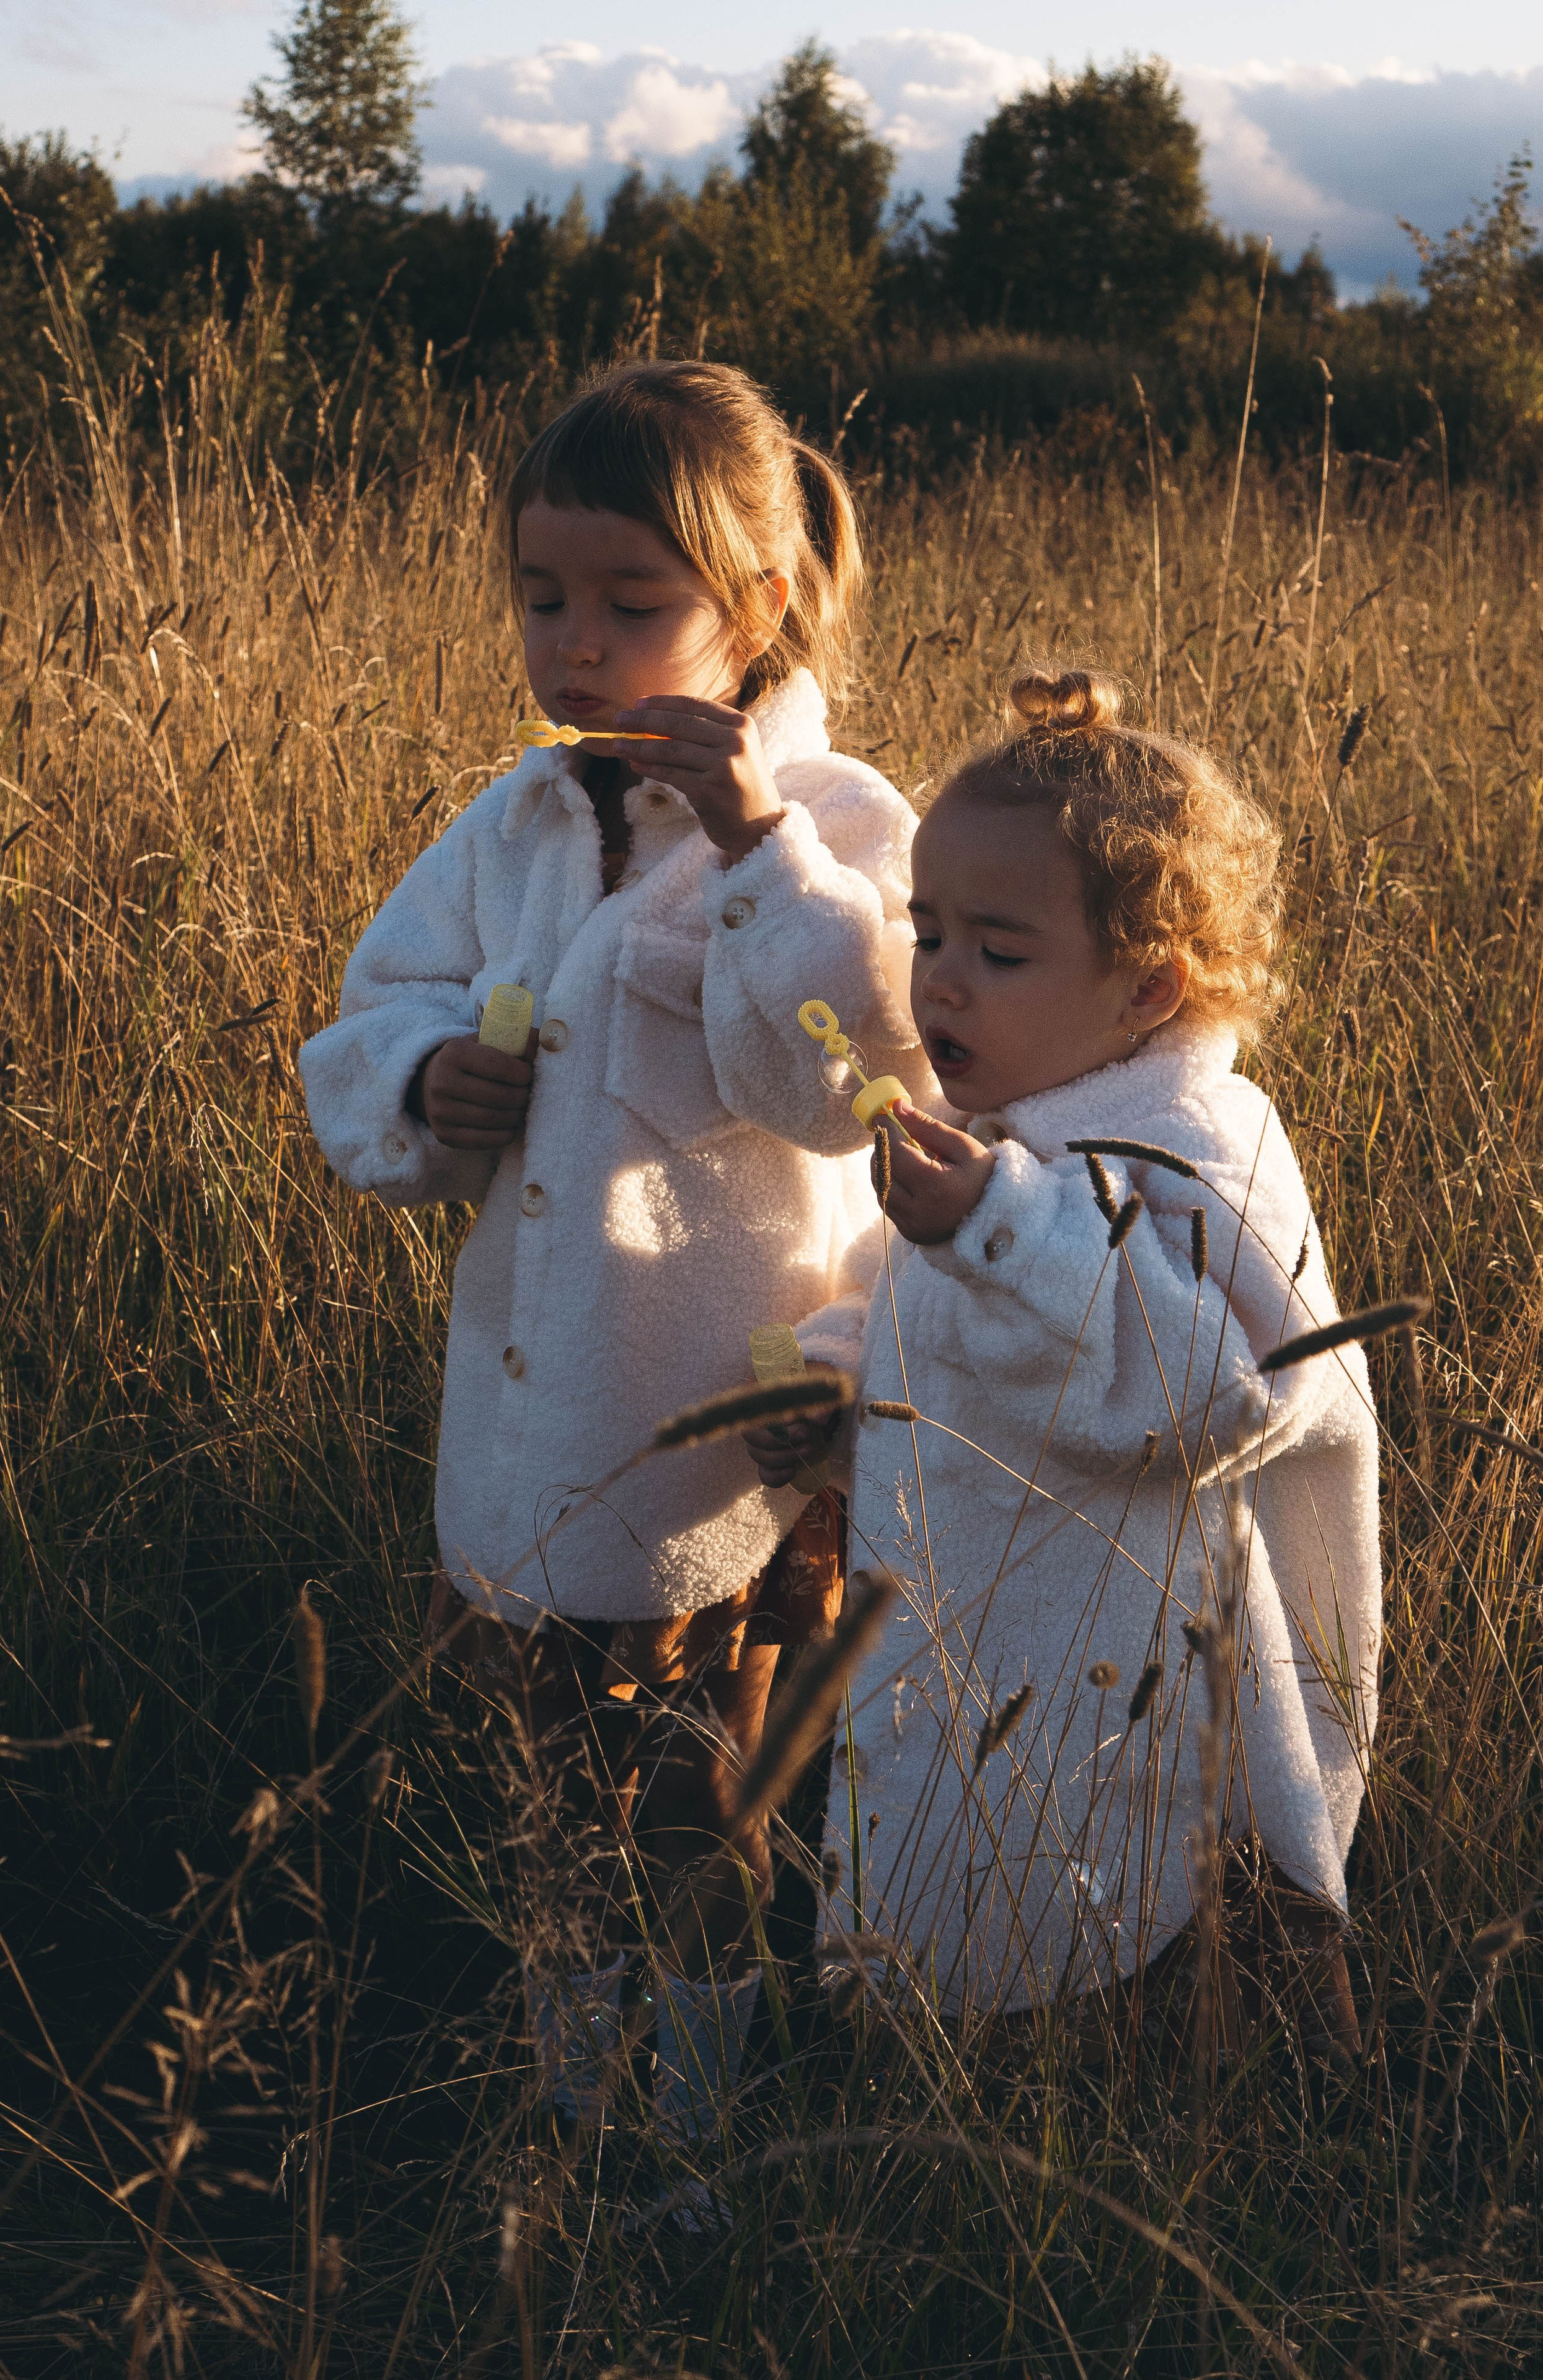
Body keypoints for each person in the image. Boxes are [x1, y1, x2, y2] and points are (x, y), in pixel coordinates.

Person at [299, 359, 926, 2137]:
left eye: (631, 606)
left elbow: (854, 1083)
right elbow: (376, 1005)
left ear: (763, 605)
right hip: (532, 1427)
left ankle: (703, 2152)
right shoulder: (519, 820)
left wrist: (753, 844)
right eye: (542, 597)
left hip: (712, 1434)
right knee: (549, 1811)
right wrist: (432, 1077)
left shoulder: (846, 827)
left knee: (694, 1809)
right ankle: (579, 2119)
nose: (575, 643)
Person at [748, 668, 1379, 2062]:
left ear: (1146, 985)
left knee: (1137, 1947)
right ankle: (957, 2126)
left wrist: (1000, 1229)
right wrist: (840, 1382)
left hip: (1129, 1677)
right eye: (926, 933)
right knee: (970, 1894)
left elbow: (1213, 1396)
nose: (939, 980)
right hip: (974, 1629)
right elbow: (913, 1306)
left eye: (998, 949)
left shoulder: (1195, 1155)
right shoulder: (1011, 1132)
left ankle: (1201, 2148)